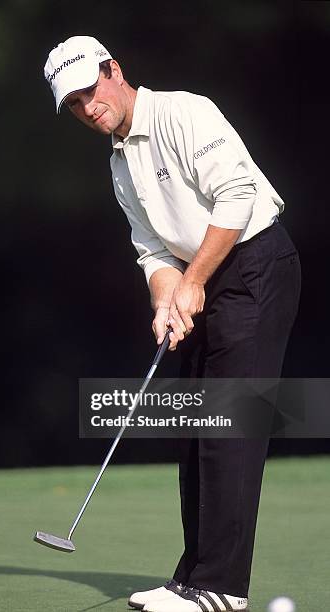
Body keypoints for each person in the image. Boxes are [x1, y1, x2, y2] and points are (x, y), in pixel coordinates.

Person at [43, 36, 301, 612]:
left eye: (90, 89)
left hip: (256, 266)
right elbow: (152, 248)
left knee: (231, 426)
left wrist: (193, 281)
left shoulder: (184, 111)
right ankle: (192, 578)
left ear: (115, 70)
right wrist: (167, 296)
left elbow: (236, 198)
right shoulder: (118, 161)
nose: (87, 106)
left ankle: (223, 588)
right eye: (73, 102)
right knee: (194, 429)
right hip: (201, 278)